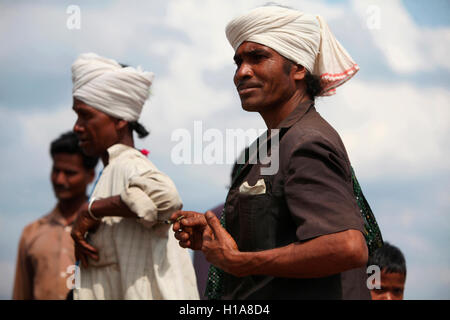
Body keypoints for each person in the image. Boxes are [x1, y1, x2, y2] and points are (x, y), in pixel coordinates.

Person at [172, 5, 372, 300]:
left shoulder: (305, 142)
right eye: (238, 62)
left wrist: (240, 262)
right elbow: (281, 233)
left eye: (258, 58)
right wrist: (225, 233)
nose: (242, 72)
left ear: (299, 68)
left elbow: (347, 246)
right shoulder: (275, 143)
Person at [70, 53, 198, 300]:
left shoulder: (128, 166)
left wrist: (92, 210)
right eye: (77, 115)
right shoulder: (111, 171)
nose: (77, 126)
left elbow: (166, 198)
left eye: (86, 115)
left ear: (120, 120)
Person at [13, 131, 98, 300]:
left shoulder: (101, 228)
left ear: (90, 176)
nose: (59, 180)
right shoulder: (31, 233)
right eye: (56, 170)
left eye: (69, 173)